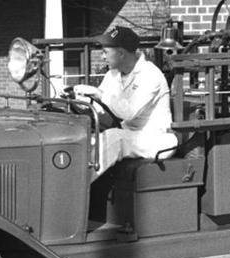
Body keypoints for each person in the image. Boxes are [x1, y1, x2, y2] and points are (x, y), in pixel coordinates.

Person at [73, 25, 178, 180]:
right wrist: (82, 102)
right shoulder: (113, 75)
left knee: (115, 138)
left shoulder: (150, 75)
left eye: (105, 52)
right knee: (88, 140)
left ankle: (75, 189)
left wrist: (98, 94)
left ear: (121, 53)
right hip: (129, 134)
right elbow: (102, 107)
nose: (103, 57)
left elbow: (129, 112)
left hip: (156, 139)